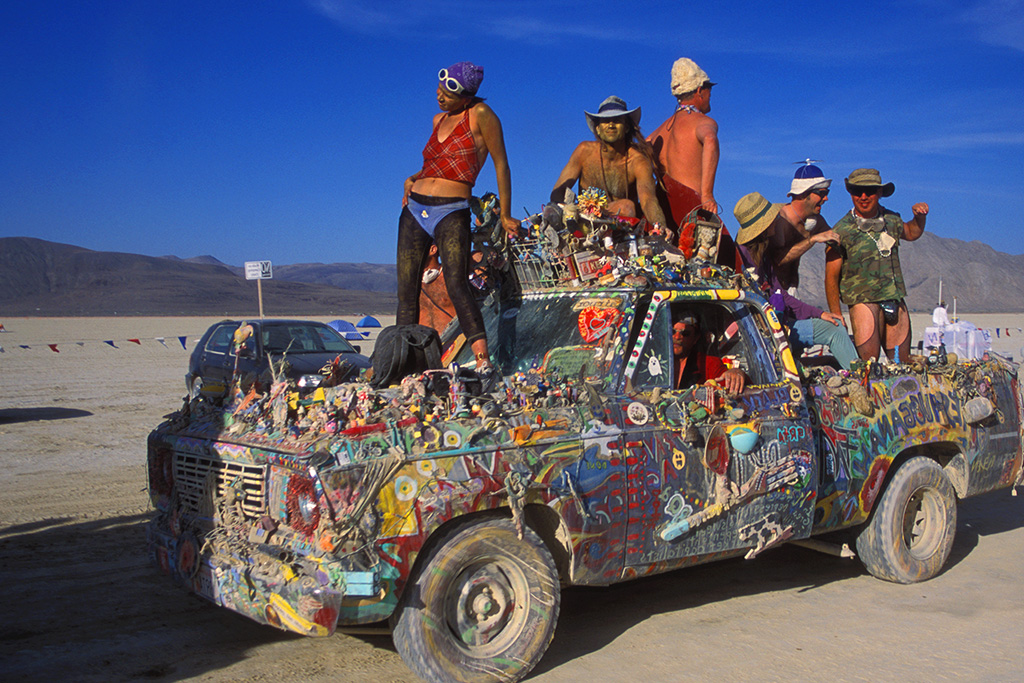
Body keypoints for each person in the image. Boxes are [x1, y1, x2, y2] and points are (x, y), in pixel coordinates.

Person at [397, 62, 520, 374]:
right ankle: (403, 364)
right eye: (438, 91)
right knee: (406, 289)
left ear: (466, 98)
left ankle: (483, 361)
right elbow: (435, 165)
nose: (440, 98)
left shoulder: (481, 116)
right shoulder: (438, 120)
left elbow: (501, 164)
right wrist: (412, 178)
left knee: (456, 281)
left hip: (451, 210)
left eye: (448, 95)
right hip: (414, 209)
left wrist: (505, 214)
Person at [734, 192, 858, 370]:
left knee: (834, 328)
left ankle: (860, 379)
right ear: (764, 225)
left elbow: (780, 295)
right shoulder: (740, 258)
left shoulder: (763, 255)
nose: (777, 219)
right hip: (760, 334)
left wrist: (820, 314)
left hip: (779, 327)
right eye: (773, 218)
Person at [825, 168, 929, 362]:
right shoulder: (841, 230)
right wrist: (836, 314)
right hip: (863, 301)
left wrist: (919, 218)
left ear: (879, 193)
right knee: (869, 365)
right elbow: (831, 275)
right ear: (850, 193)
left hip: (894, 298)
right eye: (857, 191)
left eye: (870, 191)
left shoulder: (892, 219)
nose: (863, 196)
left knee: (902, 364)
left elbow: (912, 233)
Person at [550, 96, 668, 230]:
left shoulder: (638, 161)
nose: (611, 125)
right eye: (606, 121)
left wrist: (660, 226)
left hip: (622, 231)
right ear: (598, 129)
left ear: (627, 127)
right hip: (584, 225)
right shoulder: (584, 152)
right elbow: (557, 193)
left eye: (617, 120)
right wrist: (568, 211)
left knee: (626, 206)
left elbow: (648, 200)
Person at [648, 58, 720, 223]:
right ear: (700, 91)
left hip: (662, 213)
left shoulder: (656, 133)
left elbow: (641, 148)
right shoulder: (703, 122)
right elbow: (710, 139)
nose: (710, 95)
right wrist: (707, 194)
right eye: (709, 89)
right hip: (691, 209)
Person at [767, 162, 841, 291]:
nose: (826, 198)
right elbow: (778, 259)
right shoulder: (780, 219)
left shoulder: (817, 221)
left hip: (791, 289)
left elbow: (838, 240)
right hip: (768, 289)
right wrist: (812, 239)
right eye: (821, 193)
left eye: (826, 193)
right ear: (802, 194)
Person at [672, 309, 746, 393]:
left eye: (685, 333)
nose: (677, 337)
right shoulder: (655, 360)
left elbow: (735, 387)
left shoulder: (709, 364)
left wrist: (736, 374)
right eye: (672, 331)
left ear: (695, 338)